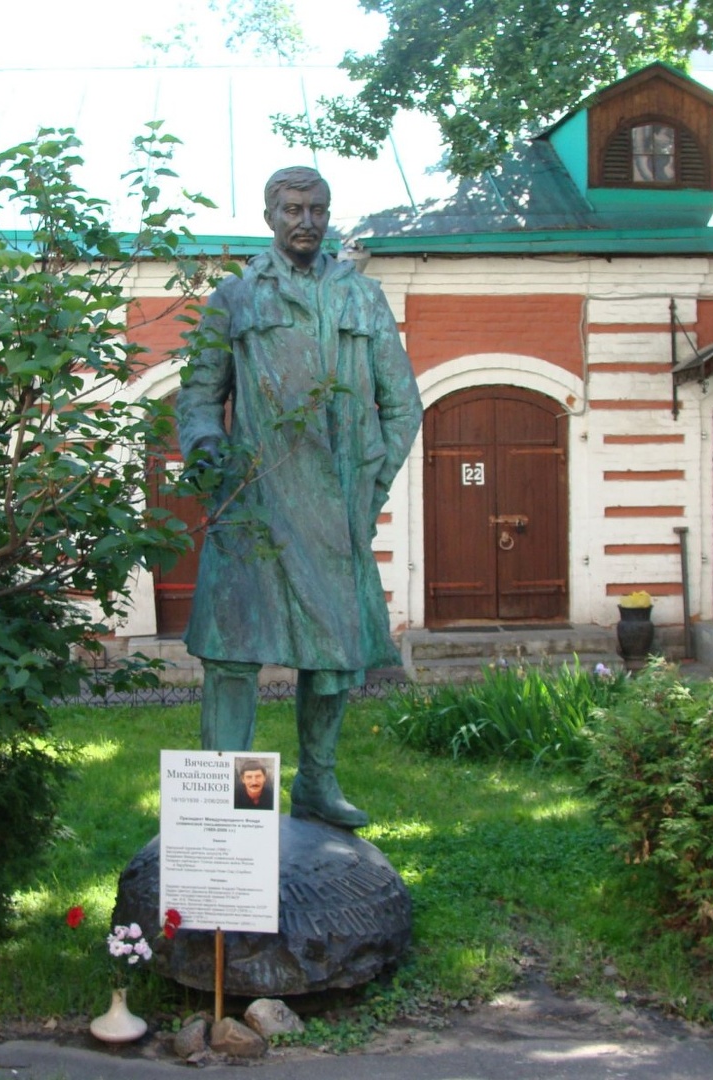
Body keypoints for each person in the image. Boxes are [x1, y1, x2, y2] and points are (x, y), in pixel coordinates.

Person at [177, 165, 422, 830]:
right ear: (270, 217)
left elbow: (403, 403)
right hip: (252, 500)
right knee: (232, 651)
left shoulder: (361, 299)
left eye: (317, 208)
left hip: (333, 505)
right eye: (292, 209)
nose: (306, 220)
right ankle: (226, 811)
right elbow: (200, 394)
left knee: (332, 654)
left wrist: (367, 487)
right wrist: (205, 446)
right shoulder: (235, 298)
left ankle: (317, 783)